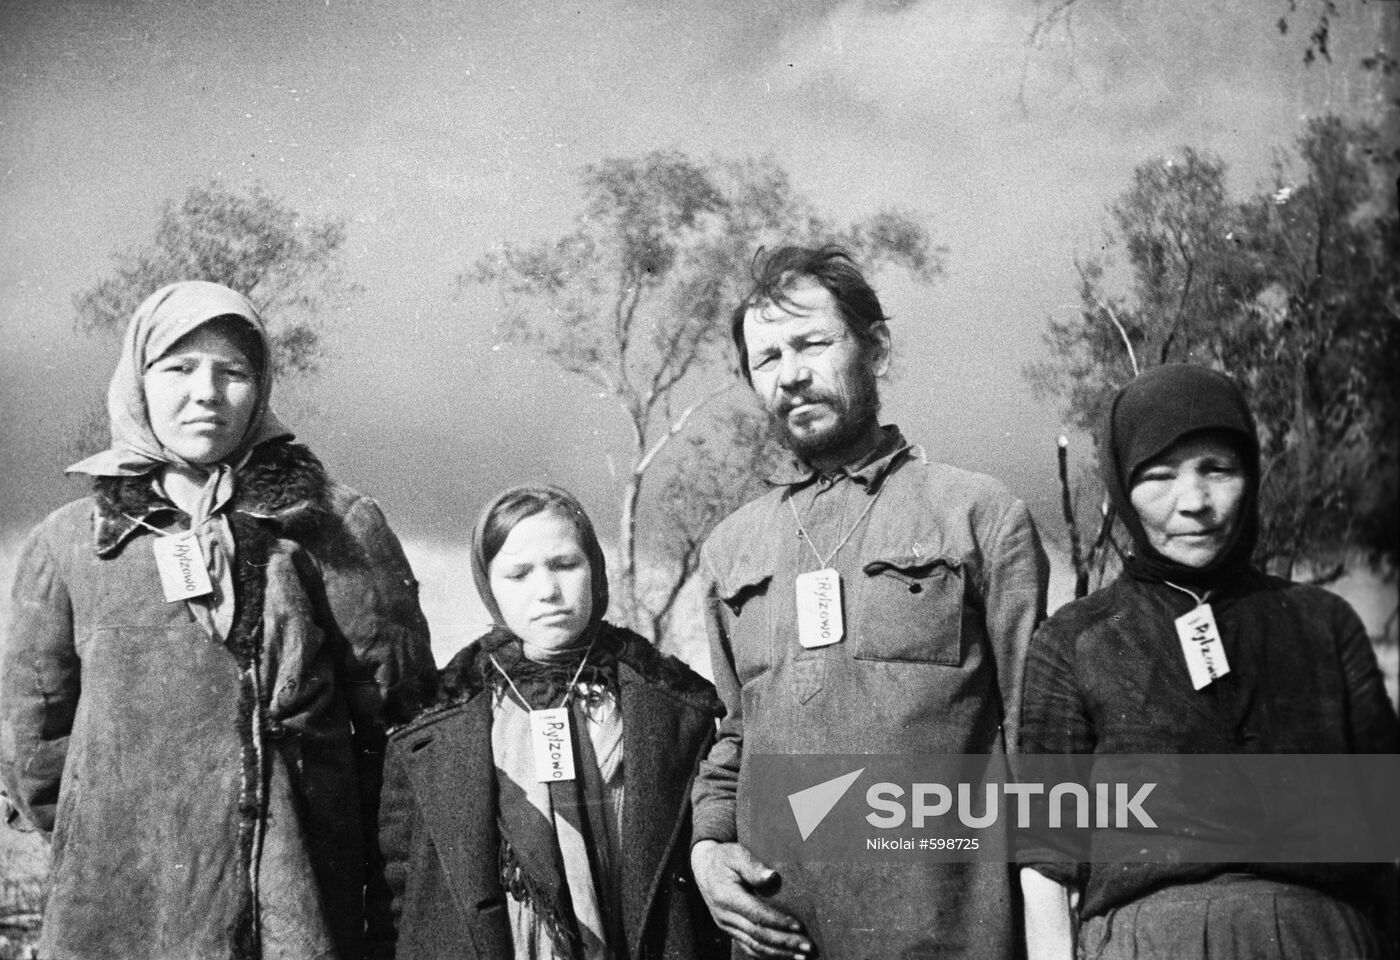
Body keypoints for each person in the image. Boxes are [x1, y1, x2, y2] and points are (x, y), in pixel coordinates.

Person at [0, 281, 436, 960]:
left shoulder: (335, 529)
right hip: (118, 922)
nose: (206, 392)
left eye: (232, 372)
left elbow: (405, 737)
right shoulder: (67, 545)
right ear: (138, 380)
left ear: (259, 389)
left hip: (296, 915)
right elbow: (35, 750)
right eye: (178, 368)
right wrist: (123, 838)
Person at [688, 245, 1050, 958]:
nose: (791, 373)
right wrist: (707, 850)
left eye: (813, 344)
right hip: (782, 939)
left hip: (948, 937)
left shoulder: (978, 514)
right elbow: (736, 736)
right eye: (766, 359)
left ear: (875, 347)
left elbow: (1036, 746)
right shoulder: (731, 552)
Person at [1017, 364, 1400, 960]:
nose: (1193, 502)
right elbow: (1046, 859)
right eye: (1160, 476)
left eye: (1217, 470)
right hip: (1146, 944)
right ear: (1120, 487)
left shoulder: (1324, 624)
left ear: (1250, 474)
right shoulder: (1074, 640)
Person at [379, 485, 727, 960]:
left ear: (594, 568)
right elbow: (399, 882)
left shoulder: (678, 708)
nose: (547, 592)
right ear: (489, 587)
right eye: (518, 574)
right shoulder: (432, 725)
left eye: (565, 565)